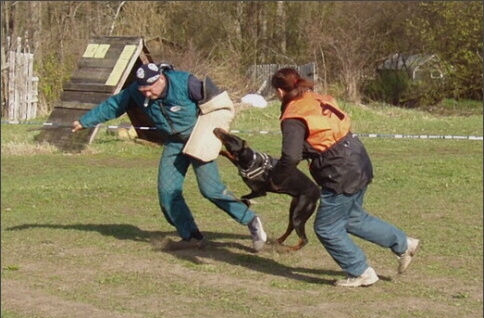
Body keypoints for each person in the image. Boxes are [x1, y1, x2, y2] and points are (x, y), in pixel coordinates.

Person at [72, 62, 267, 252]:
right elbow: (113, 105)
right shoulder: (136, 91)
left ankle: (251, 220)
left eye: (150, 89)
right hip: (173, 142)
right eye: (143, 91)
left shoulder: (185, 83)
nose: (147, 94)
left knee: (211, 190)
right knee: (167, 192)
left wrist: (217, 134)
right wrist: (85, 121)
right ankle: (191, 237)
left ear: (161, 78)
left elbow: (219, 105)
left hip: (200, 138)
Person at [269, 67, 420, 287]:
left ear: (280, 92)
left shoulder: (294, 114)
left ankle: (360, 271)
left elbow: (291, 156)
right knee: (352, 218)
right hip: (358, 157)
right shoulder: (315, 98)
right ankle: (403, 243)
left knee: (326, 228)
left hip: (339, 171)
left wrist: (276, 179)